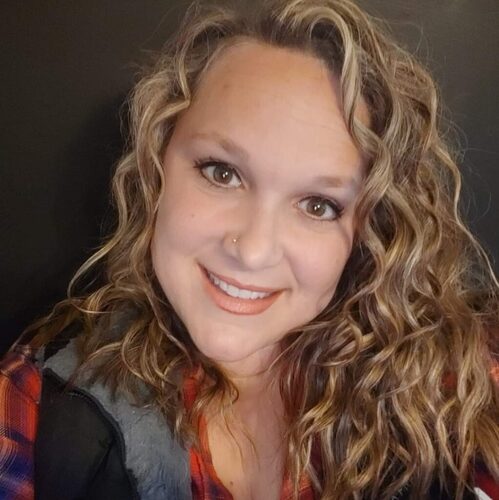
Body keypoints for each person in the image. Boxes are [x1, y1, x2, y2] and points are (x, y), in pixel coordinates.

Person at [1, 0, 498, 499]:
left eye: (318, 205)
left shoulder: (448, 379)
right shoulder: (40, 407)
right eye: (222, 173)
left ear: (370, 229)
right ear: (155, 166)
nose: (254, 251)